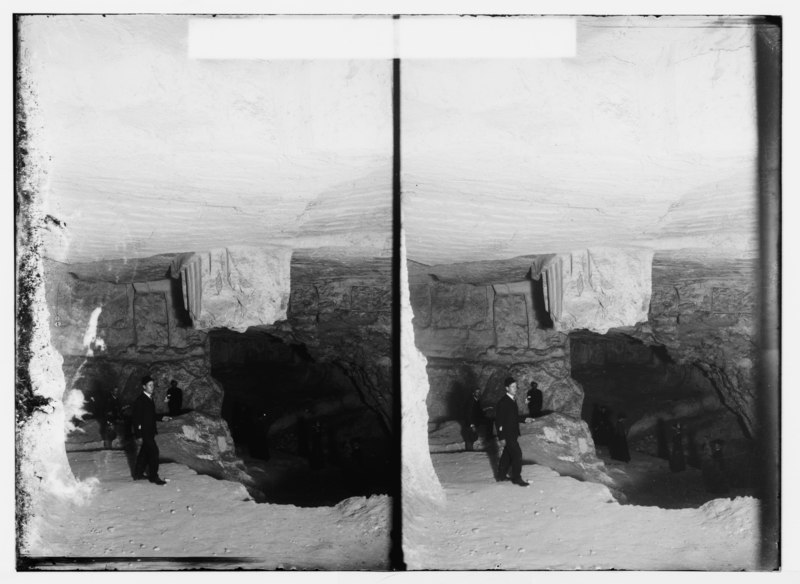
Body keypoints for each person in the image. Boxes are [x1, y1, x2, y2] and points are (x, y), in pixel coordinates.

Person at [132, 376, 169, 485]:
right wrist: (138, 435)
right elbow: (136, 418)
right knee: (154, 452)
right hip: (145, 432)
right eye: (150, 385)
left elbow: (150, 415)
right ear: (144, 387)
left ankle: (138, 474)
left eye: (153, 385)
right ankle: (154, 477)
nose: (152, 387)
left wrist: (161, 418)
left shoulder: (149, 398)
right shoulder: (140, 400)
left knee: (144, 453)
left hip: (150, 431)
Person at [495, 376, 529, 487]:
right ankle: (517, 478)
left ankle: (501, 476)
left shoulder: (512, 400)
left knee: (507, 455)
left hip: (513, 433)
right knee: (517, 454)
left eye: (516, 386)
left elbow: (514, 417)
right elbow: (499, 421)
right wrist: (501, 437)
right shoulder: (503, 402)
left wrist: (524, 419)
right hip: (507, 434)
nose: (515, 388)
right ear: (507, 388)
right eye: (513, 386)